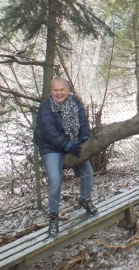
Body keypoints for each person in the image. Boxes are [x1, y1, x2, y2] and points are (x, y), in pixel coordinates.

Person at [34, 77, 98, 237]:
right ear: (51, 91)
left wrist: (84, 139)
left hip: (73, 143)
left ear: (68, 90)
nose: (59, 93)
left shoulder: (75, 102)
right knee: (55, 180)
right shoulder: (45, 107)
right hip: (51, 147)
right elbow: (49, 132)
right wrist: (68, 146)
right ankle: (53, 217)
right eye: (55, 90)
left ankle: (84, 199)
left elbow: (83, 122)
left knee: (87, 171)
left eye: (62, 89)